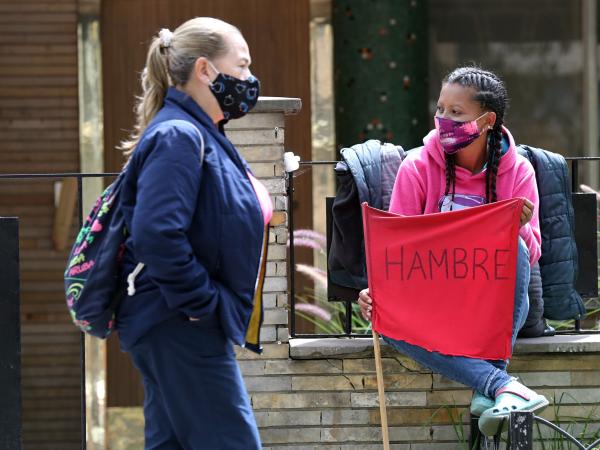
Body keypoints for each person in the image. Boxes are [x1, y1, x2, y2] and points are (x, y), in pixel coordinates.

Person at [358, 66, 549, 436]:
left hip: (489, 305)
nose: (444, 119)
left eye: (456, 113)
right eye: (441, 109)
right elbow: (397, 250)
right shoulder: (417, 166)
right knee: (385, 318)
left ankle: (489, 385)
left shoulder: (518, 171)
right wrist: (376, 289)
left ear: (487, 120)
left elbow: (532, 253)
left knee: (519, 249)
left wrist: (519, 227)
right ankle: (498, 385)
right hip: (435, 305)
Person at [116, 18, 270, 449]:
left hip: (173, 323)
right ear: (205, 70)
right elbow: (156, 234)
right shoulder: (179, 135)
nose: (249, 79)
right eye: (241, 66)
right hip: (180, 324)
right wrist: (203, 305)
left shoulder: (199, 133)